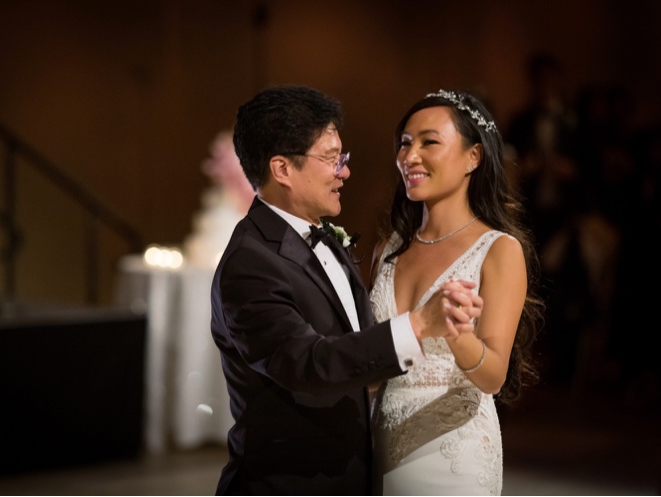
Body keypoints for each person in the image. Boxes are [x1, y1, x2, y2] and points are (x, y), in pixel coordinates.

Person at [210, 85, 481, 495]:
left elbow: (355, 344)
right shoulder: (250, 264)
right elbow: (309, 364)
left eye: (343, 158)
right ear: (282, 169)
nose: (345, 172)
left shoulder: (321, 233)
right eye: (331, 159)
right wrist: (420, 323)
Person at [368, 90, 541, 495]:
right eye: (405, 143)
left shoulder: (498, 249)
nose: (410, 156)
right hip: (382, 447)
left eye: (429, 142)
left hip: (453, 453)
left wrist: (456, 332)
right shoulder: (388, 248)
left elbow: (493, 376)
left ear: (473, 158)